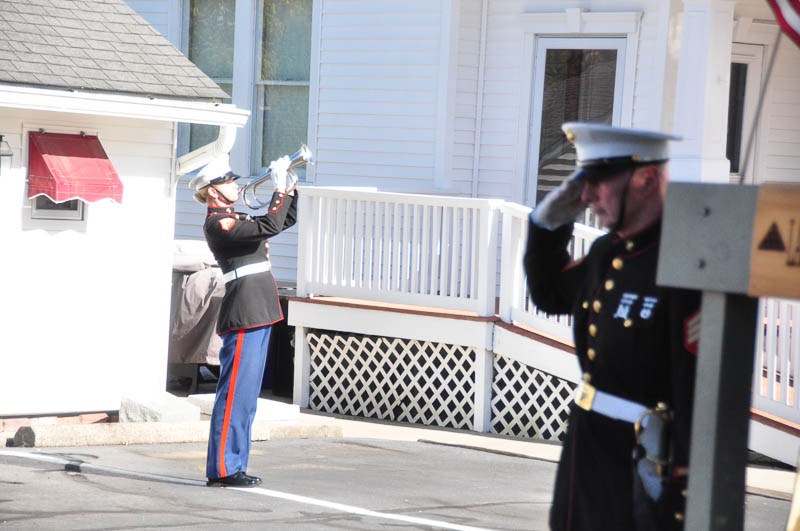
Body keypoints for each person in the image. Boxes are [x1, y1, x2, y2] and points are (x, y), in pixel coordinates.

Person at [524, 122, 702, 530]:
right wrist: (547, 226)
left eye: (599, 182)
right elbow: (549, 294)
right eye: (583, 182)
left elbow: (694, 387)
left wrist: (680, 498)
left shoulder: (684, 263)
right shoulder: (608, 252)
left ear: (647, 180)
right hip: (587, 451)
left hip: (640, 466)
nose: (586, 196)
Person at [189, 154, 298, 488]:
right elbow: (270, 225)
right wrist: (278, 189)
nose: (236, 186)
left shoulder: (235, 217)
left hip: (260, 309)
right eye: (228, 181)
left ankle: (235, 464)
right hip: (245, 311)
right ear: (213, 191)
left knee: (248, 398)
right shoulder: (218, 224)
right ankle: (223, 468)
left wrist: (290, 185)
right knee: (235, 395)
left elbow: (285, 220)